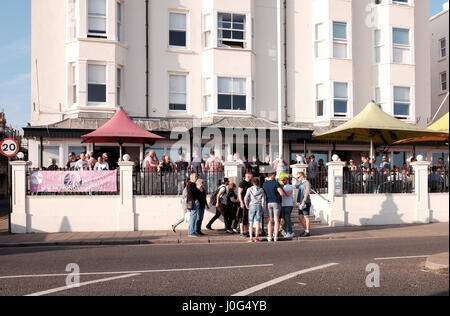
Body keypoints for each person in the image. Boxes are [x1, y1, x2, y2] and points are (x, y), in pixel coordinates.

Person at [262, 173, 285, 242]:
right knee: (276, 220)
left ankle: (269, 236)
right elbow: (281, 193)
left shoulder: (264, 184)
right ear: (273, 176)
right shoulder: (276, 183)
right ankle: (275, 236)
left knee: (270, 220)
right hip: (276, 202)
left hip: (268, 202)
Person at [244, 178, 266, 243]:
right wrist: (263, 208)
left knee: (251, 222)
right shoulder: (261, 190)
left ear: (253, 183)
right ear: (258, 183)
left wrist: (246, 204)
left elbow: (246, 198)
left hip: (252, 206)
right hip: (259, 206)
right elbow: (263, 200)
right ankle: (256, 237)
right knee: (258, 222)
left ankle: (251, 237)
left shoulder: (249, 189)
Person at [238, 172, 253, 237]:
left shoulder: (250, 184)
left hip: (249, 203)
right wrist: (241, 202)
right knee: (242, 217)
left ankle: (247, 231)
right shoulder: (242, 183)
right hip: (243, 203)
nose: (252, 177)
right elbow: (239, 193)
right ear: (248, 176)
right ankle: (242, 232)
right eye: (251, 176)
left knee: (247, 218)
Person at [297, 172, 312, 237]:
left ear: (302, 176)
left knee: (306, 217)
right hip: (300, 203)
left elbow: (307, 192)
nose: (297, 178)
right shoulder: (301, 183)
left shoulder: (307, 182)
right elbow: (297, 186)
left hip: (305, 202)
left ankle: (307, 231)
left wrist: (304, 201)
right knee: (300, 217)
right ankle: (306, 230)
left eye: (298, 177)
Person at [187, 173, 201, 237]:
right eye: (195, 177)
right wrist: (195, 200)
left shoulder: (193, 184)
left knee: (194, 218)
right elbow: (189, 194)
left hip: (195, 202)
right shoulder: (190, 184)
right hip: (194, 203)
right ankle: (191, 232)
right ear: (191, 177)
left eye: (196, 176)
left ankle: (192, 231)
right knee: (193, 218)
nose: (196, 178)